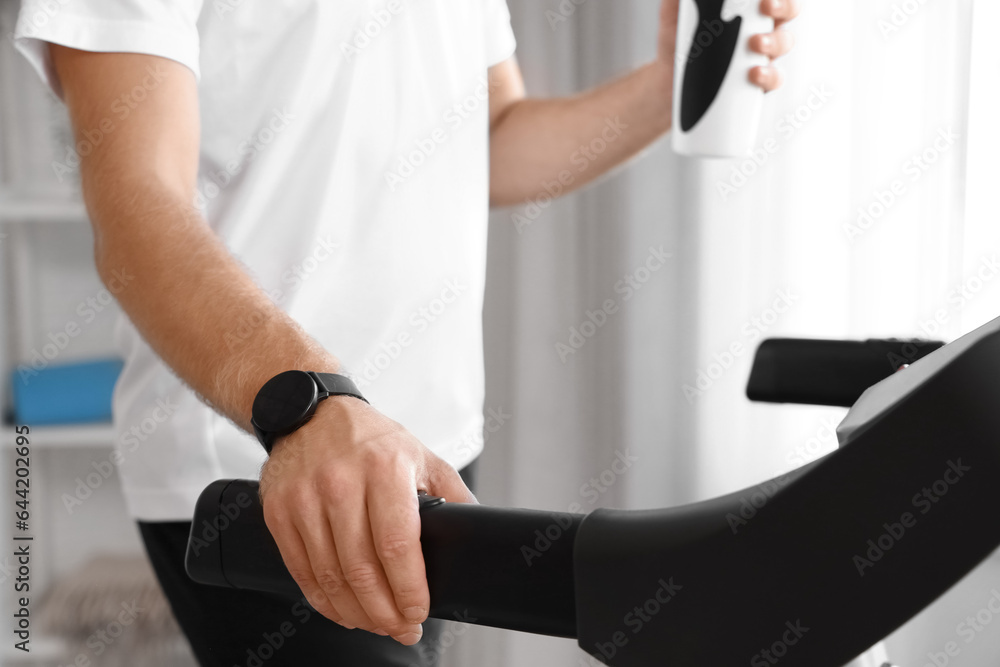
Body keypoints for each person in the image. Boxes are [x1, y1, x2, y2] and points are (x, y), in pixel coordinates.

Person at [13, 0, 797, 664]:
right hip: (268, 456)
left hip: (428, 445)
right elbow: (138, 210)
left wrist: (667, 89)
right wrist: (309, 404)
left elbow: (491, 138)